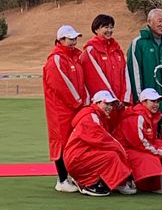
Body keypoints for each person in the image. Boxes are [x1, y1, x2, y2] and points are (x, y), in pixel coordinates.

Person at [43, 25, 89, 193]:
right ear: (60, 40)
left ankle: (73, 176)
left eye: (75, 39)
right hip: (60, 110)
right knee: (61, 142)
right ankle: (62, 179)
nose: (74, 42)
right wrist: (78, 101)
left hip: (75, 108)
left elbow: (81, 82)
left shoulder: (76, 57)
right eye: (70, 39)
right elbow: (61, 85)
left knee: (74, 141)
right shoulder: (56, 59)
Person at [63, 90, 136, 197]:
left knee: (111, 154)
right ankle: (87, 183)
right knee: (112, 156)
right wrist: (121, 150)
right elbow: (101, 139)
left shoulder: (94, 115)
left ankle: (91, 180)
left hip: (77, 156)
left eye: (111, 105)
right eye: (106, 103)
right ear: (96, 103)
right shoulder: (91, 117)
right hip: (77, 158)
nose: (110, 107)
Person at [113, 88, 162, 191]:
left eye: (157, 101)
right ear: (143, 102)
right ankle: (130, 181)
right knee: (149, 158)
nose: (156, 104)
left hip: (135, 146)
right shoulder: (137, 116)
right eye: (153, 101)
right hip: (124, 149)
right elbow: (139, 142)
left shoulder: (150, 115)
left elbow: (150, 139)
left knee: (160, 150)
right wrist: (158, 152)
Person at [81, 14, 131, 130]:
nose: (109, 30)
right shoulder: (91, 50)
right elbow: (96, 78)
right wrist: (112, 100)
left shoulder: (117, 50)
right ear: (97, 29)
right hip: (104, 105)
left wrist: (124, 98)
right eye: (106, 27)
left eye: (111, 27)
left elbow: (125, 75)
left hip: (119, 105)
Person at [127, 8, 162, 123]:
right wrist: (140, 99)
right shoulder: (138, 43)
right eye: (160, 21)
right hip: (147, 102)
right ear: (149, 22)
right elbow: (135, 73)